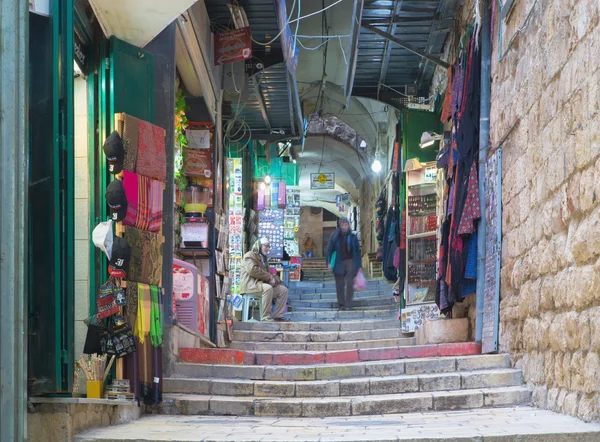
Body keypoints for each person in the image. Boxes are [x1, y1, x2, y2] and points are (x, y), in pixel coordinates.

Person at [241, 238, 289, 322]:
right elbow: (252, 270)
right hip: (251, 285)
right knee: (267, 288)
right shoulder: (249, 255)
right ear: (259, 246)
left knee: (283, 290)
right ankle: (266, 316)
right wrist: (269, 277)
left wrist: (274, 279)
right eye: (266, 246)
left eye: (269, 247)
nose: (268, 248)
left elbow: (268, 273)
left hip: (260, 285)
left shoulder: (264, 258)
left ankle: (278, 315)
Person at [326, 217, 362, 310]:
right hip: (338, 262)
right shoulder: (334, 236)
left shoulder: (353, 237)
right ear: (340, 225)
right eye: (342, 225)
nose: (344, 227)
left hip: (350, 262)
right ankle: (341, 304)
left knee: (350, 284)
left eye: (346, 225)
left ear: (348, 225)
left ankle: (348, 303)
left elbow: (357, 252)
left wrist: (359, 266)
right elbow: (329, 250)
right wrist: (329, 262)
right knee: (340, 285)